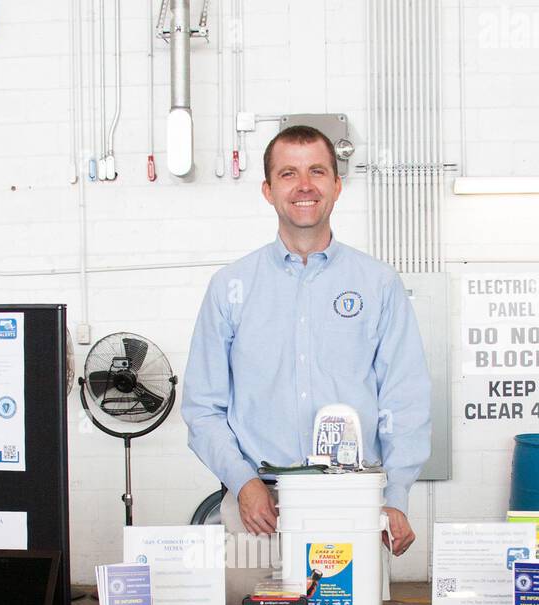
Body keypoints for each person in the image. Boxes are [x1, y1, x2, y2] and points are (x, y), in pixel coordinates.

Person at [182, 124, 431, 556]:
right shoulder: (230, 287)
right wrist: (243, 483)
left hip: (355, 503)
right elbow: (203, 407)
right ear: (267, 189)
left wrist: (396, 497)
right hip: (258, 509)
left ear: (336, 186)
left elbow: (404, 398)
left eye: (317, 171)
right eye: (287, 173)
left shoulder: (378, 284)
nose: (304, 186)